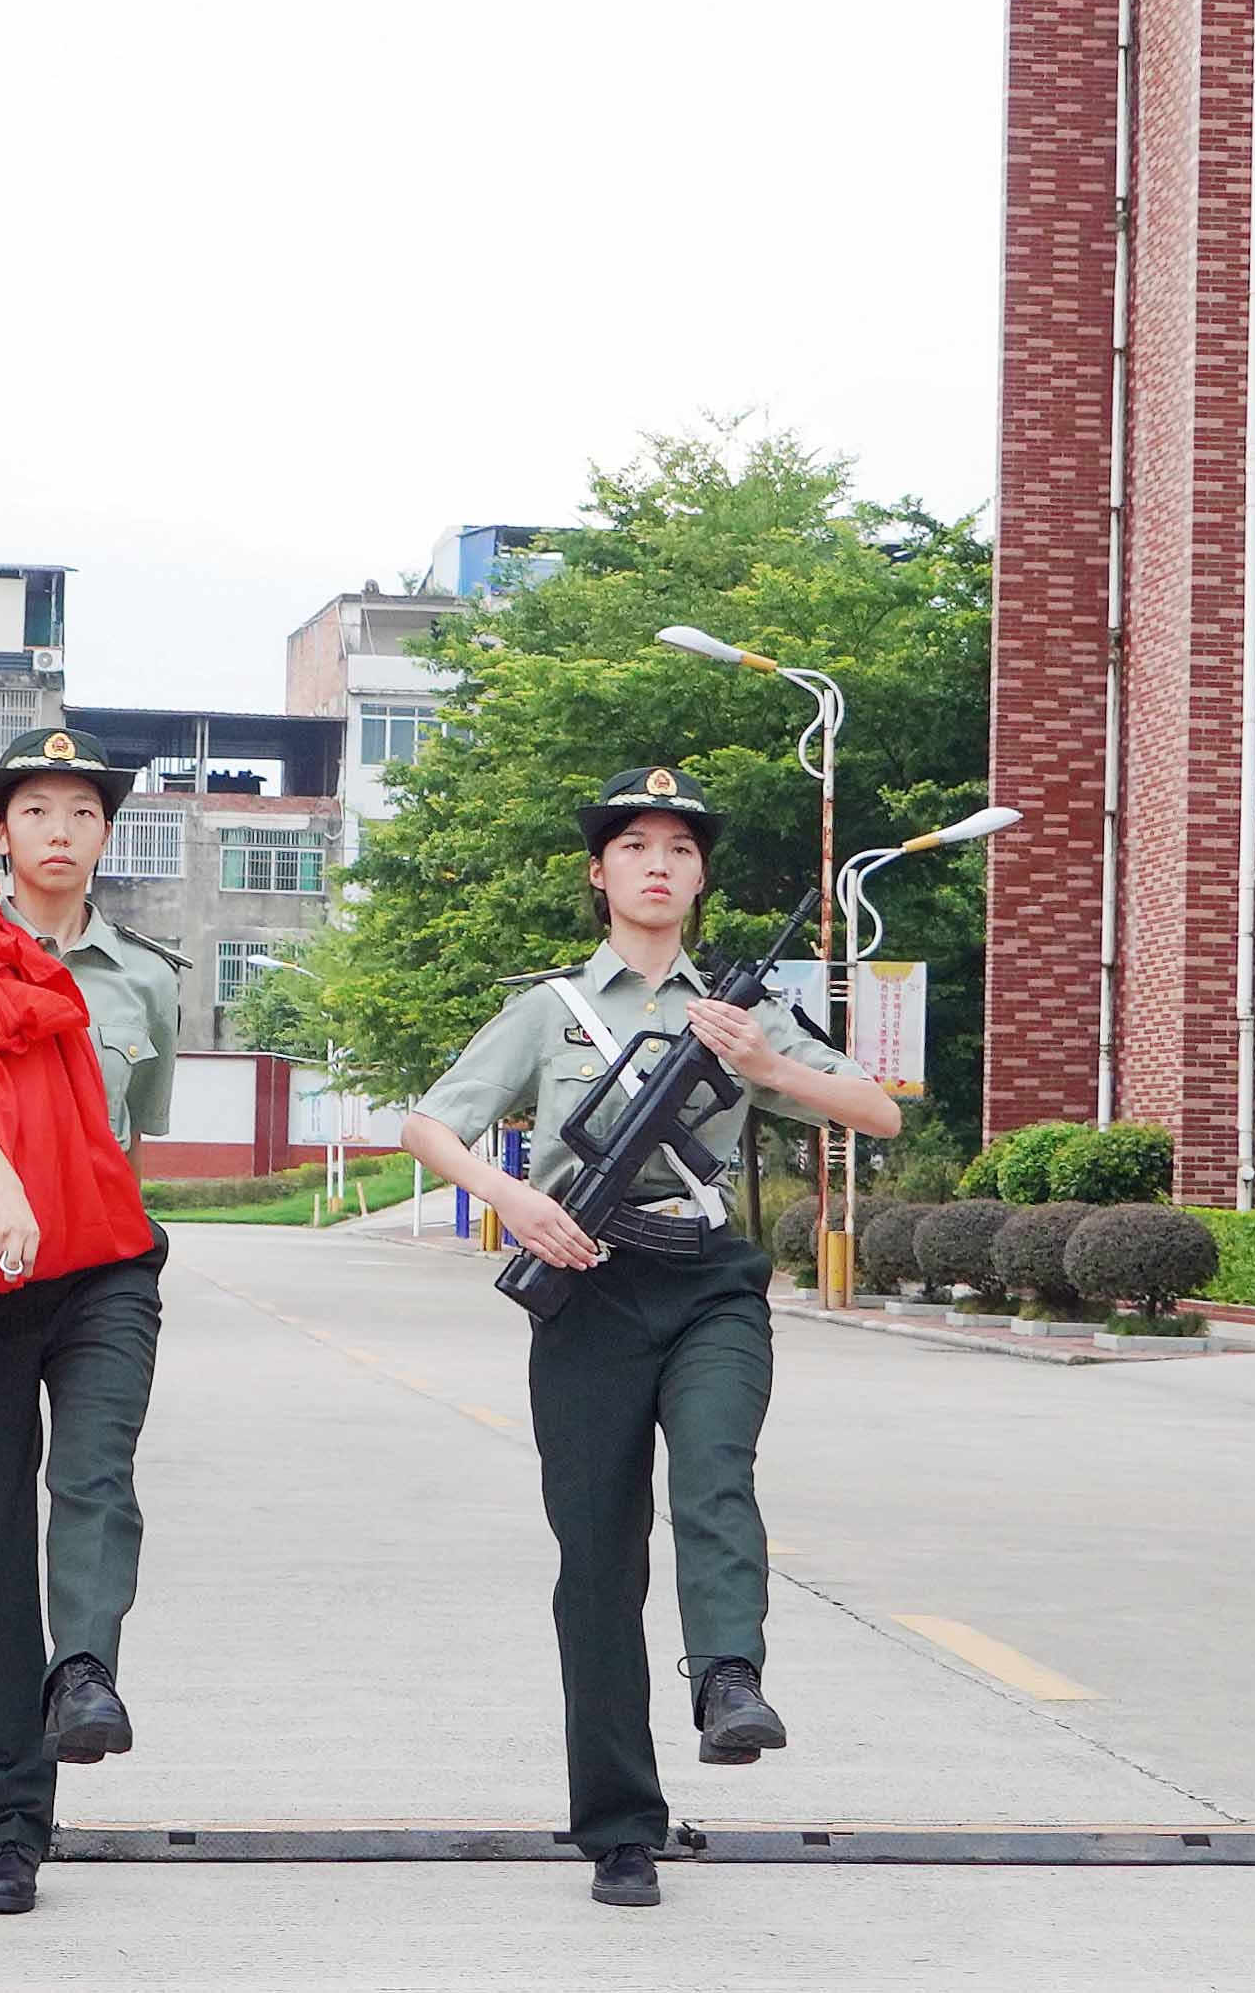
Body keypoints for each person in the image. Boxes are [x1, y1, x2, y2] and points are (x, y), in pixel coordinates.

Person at [399, 767, 900, 1910]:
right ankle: (619, 1823)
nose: (658, 863)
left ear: (700, 876)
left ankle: (728, 1680)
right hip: (587, 1290)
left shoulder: (737, 1010)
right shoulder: (549, 1009)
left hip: (708, 1278)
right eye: (634, 845)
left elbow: (876, 1109)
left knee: (715, 1468)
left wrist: (764, 1064)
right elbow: (428, 1122)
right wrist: (510, 1198)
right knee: (597, 1561)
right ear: (599, 871)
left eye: (679, 847)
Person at [0, 728, 183, 1917]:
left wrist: (89, 1215)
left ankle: (84, 1673)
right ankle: (5, 1821)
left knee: (96, 1473)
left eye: (82, 812)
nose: (59, 830)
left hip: (104, 1264)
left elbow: (131, 1132)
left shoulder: (144, 976)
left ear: (105, 833)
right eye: (36, 810)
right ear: (1, 830)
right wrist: (2, 1185)